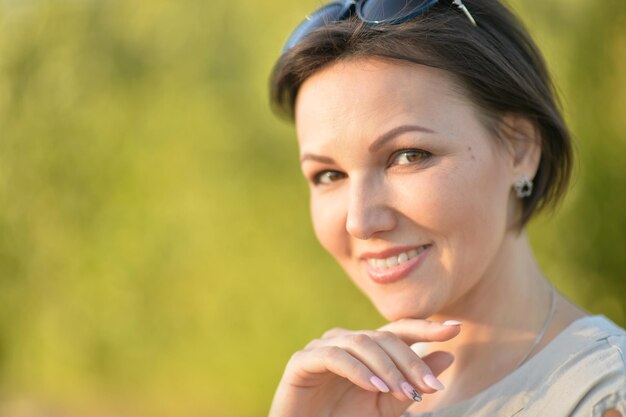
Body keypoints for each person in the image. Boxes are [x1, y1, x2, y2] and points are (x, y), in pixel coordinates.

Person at [267, 1, 626, 416]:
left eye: (409, 155)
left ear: (520, 148)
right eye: (329, 175)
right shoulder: (354, 400)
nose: (360, 222)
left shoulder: (601, 397)